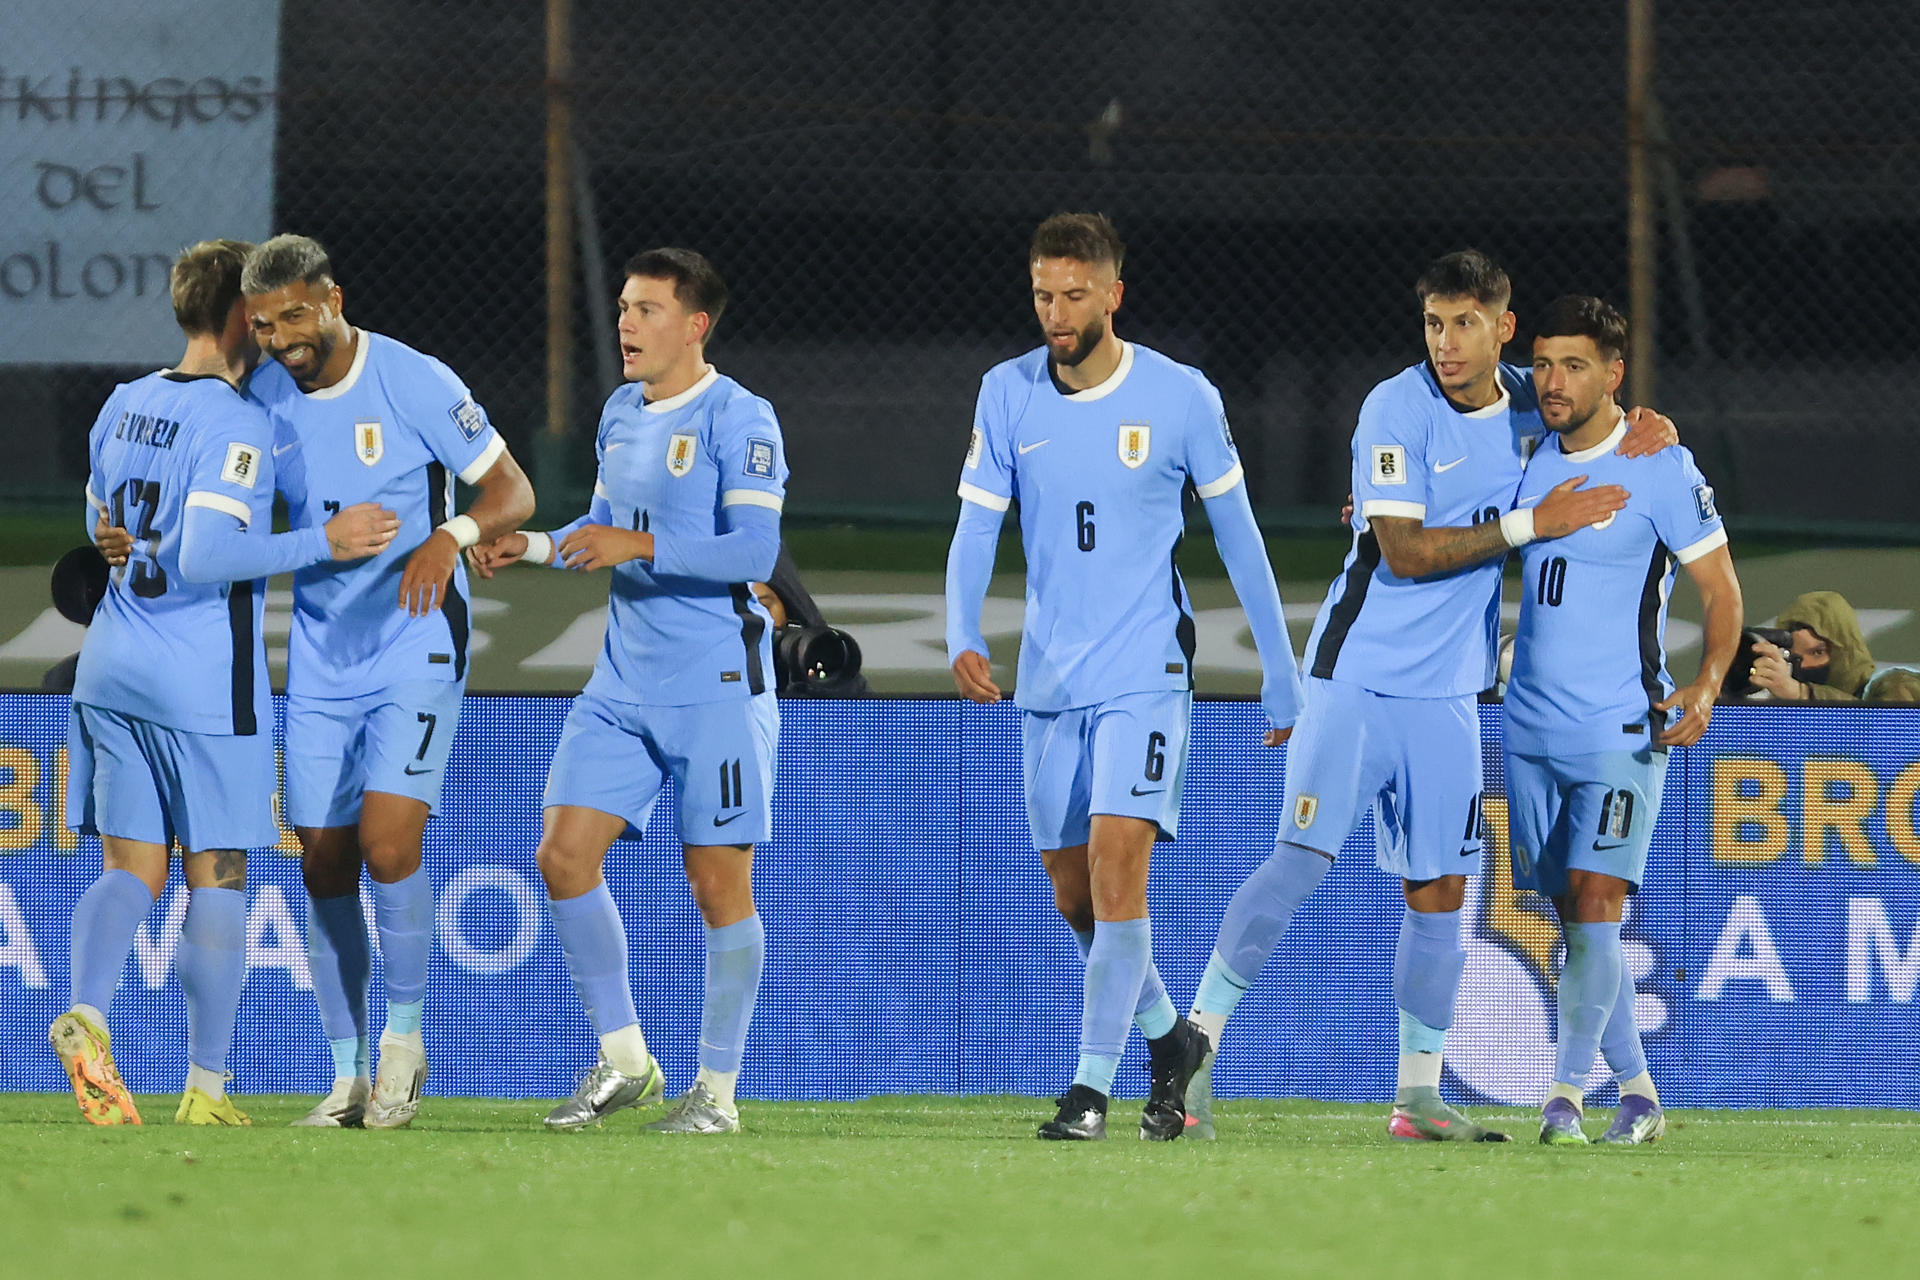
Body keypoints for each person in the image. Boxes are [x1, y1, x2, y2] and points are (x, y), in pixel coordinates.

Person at [1182, 251, 1676, 1142]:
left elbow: (1600, 407)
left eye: (1464, 324)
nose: (1447, 343)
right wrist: (1533, 524)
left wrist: (1650, 425)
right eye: (1433, 324)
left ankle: (1417, 1099)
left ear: (1503, 328)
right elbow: (1405, 555)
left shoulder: (1532, 395)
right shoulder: (1394, 407)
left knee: (1442, 888)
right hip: (1360, 675)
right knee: (1299, 861)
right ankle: (1192, 1054)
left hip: (1450, 695)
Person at [944, 213, 1301, 1141]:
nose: (1055, 314)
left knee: (1115, 870)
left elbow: (1240, 538)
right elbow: (979, 523)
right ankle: (1169, 1040)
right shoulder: (1006, 393)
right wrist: (961, 630)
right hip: (1051, 680)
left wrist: (1282, 672)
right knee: (1074, 894)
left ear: (1113, 294)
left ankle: (1090, 1090)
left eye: (1072, 295)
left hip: (1147, 672)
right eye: (1041, 295)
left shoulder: (1182, 398)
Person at [52, 239, 397, 1127]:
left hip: (111, 665)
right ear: (245, 317)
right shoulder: (235, 423)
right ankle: (206, 1089)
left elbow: (100, 515)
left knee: (131, 866)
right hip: (204, 682)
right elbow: (206, 554)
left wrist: (121, 540)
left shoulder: (124, 404)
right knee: (220, 874)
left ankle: (88, 1013)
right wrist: (328, 538)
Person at [469, 249, 784, 1135]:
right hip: (623, 681)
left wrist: (635, 551)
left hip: (717, 682)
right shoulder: (619, 411)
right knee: (562, 856)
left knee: (718, 887)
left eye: (646, 310)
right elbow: (601, 528)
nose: (626, 324)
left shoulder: (740, 417)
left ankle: (717, 1095)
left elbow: (753, 554)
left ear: (696, 325)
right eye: (622, 307)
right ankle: (625, 1059)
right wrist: (529, 547)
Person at [244, 234, 535, 1128]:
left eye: (294, 314)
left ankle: (403, 1047)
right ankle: (347, 1075)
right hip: (323, 657)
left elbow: (511, 493)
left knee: (387, 845)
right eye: (261, 325)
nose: (281, 338)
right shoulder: (257, 396)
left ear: (332, 298)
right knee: (322, 858)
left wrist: (448, 536)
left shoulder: (414, 379)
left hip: (416, 641)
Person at [1508, 295, 1743, 1144]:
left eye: (1575, 365)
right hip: (1527, 725)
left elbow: (1721, 591)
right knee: (1573, 912)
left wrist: (1710, 682)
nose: (1553, 382)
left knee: (1601, 900)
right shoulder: (1521, 445)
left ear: (1615, 373)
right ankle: (1639, 1093)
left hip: (1622, 726)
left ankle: (1564, 1097)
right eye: (1542, 364)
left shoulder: (1661, 466)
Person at [1748, 591, 1874, 702]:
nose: (1802, 665)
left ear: (1844, 652)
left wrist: (1800, 693)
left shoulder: (1885, 684)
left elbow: (1873, 723)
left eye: (1817, 652)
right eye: (1792, 654)